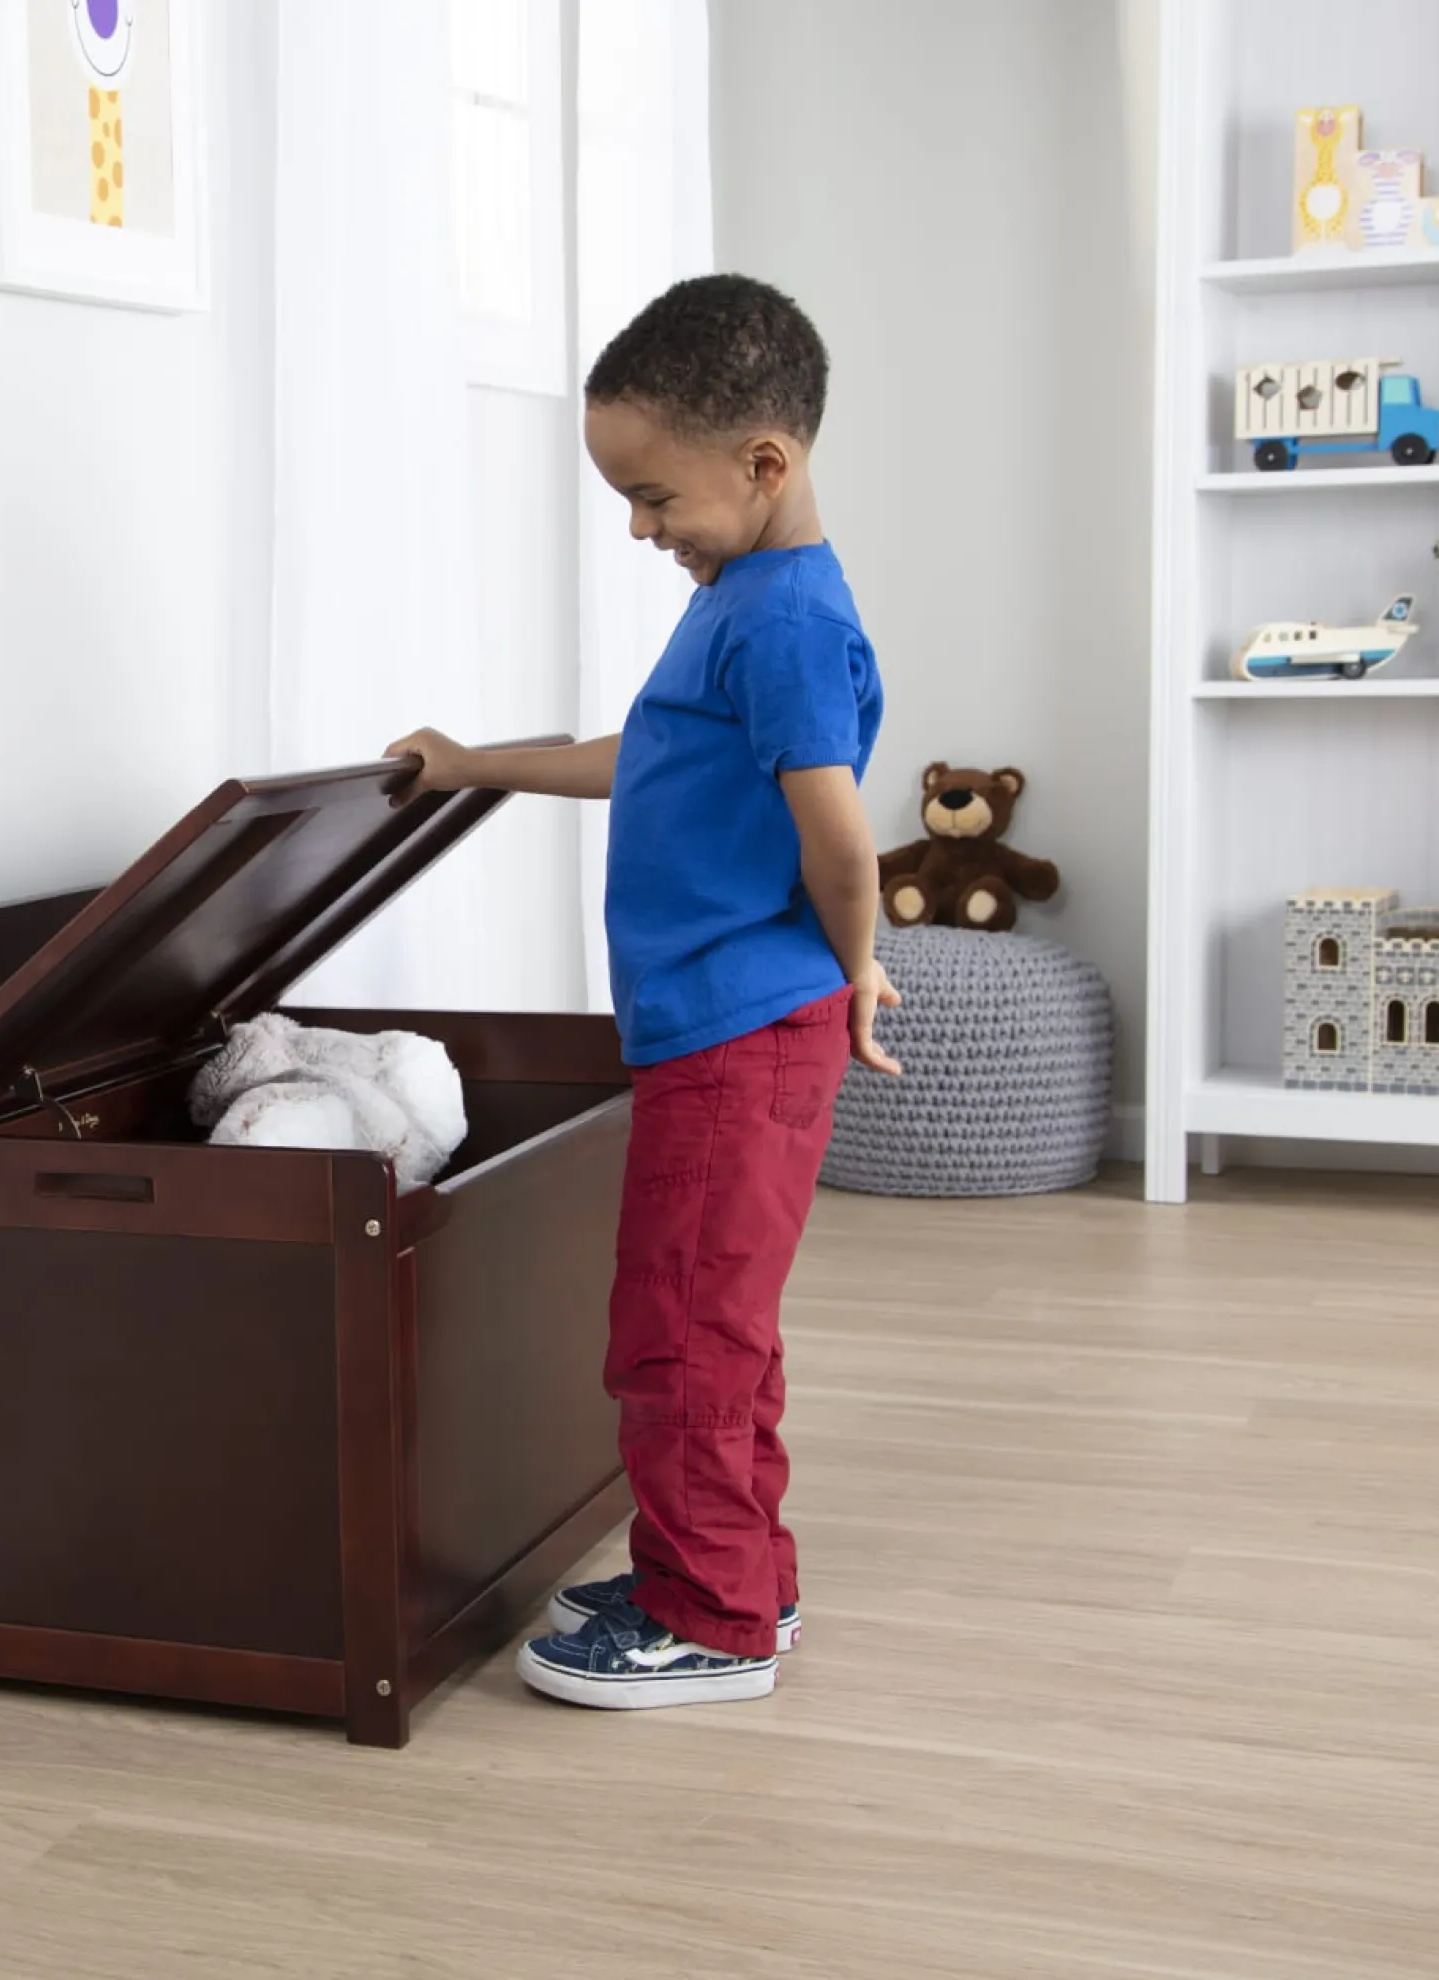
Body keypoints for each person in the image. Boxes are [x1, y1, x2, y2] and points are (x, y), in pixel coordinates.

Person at [387, 273, 894, 1710]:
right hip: (726, 1028)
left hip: (742, 1035)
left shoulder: (783, 621)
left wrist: (860, 974)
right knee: (718, 1327)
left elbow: (842, 838)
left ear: (763, 463)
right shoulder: (751, 598)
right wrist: (479, 763)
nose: (639, 527)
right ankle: (738, 1573)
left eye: (652, 495)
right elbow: (656, 756)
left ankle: (712, 1620)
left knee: (675, 1335)